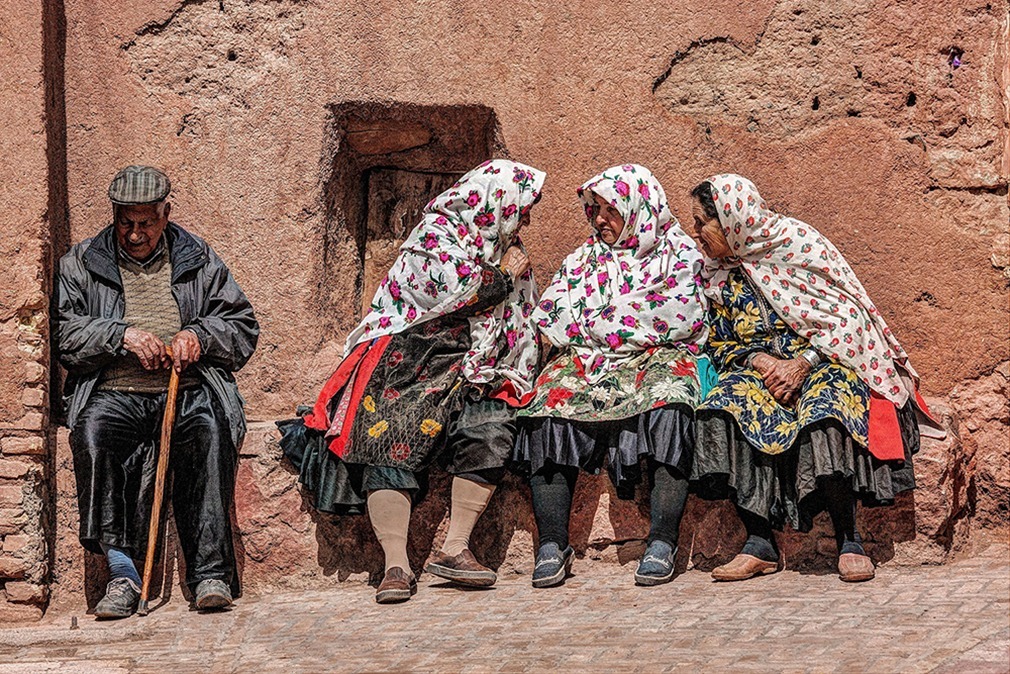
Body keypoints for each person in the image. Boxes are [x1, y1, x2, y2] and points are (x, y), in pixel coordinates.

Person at [280, 159, 545, 603]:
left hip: (473, 366)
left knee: (491, 422)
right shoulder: (435, 238)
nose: (528, 218)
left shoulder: (507, 249)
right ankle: (395, 565)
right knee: (391, 425)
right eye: (523, 206)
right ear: (494, 202)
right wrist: (501, 276)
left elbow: (521, 315)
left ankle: (456, 548)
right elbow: (448, 294)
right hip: (412, 358)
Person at [688, 173, 943, 583]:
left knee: (825, 412)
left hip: (824, 361)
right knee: (719, 407)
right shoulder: (718, 272)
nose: (695, 232)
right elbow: (717, 340)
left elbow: (848, 315)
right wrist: (758, 361)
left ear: (732, 221)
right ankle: (759, 542)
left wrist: (802, 362)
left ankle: (849, 539)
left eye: (702, 222)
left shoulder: (795, 245)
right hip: (761, 370)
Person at [56, 165, 259, 618]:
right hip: (114, 390)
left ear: (166, 214)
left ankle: (210, 574)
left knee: (209, 431)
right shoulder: (82, 262)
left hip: (186, 388)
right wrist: (120, 336)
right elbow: (65, 335)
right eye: (125, 222)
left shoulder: (198, 258)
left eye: (145, 222)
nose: (133, 234)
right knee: (93, 435)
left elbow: (243, 326)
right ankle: (124, 575)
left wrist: (200, 336)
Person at [514, 164, 708, 588]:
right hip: (590, 360)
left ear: (638, 206)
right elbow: (551, 314)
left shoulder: (679, 254)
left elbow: (680, 314)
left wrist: (596, 321)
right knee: (547, 403)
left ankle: (662, 539)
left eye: (610, 209)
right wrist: (621, 321)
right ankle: (551, 543)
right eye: (595, 209)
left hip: (658, 357)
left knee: (672, 400)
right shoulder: (583, 259)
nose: (599, 219)